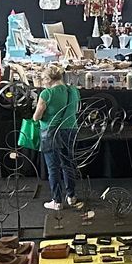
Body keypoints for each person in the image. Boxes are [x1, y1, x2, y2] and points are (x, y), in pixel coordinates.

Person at [31, 65, 81, 211]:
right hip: (71, 129)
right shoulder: (74, 90)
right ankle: (71, 196)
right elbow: (76, 108)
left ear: (47, 79)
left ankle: (57, 201)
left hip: (51, 132)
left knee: (53, 167)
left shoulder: (46, 94)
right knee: (68, 163)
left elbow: (37, 116)